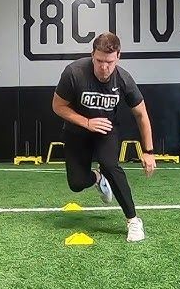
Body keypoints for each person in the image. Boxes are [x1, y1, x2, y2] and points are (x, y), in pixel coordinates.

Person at [52, 32, 156, 242]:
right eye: (99, 61)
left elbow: (141, 114)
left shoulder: (124, 79)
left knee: (110, 164)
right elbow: (57, 106)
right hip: (77, 131)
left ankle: (133, 220)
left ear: (118, 56)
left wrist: (148, 151)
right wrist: (87, 122)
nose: (103, 67)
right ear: (92, 55)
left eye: (109, 62)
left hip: (105, 130)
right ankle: (98, 179)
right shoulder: (74, 73)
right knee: (76, 183)